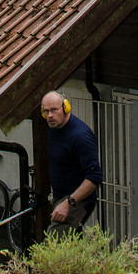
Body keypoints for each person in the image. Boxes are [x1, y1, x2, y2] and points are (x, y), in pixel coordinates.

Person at [40, 90, 103, 233]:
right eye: (46, 111)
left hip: (78, 201)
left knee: (54, 242)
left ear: (66, 107)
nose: (50, 115)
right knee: (72, 242)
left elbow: (94, 178)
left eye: (54, 110)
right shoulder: (53, 127)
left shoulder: (81, 136)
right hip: (59, 196)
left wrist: (68, 203)